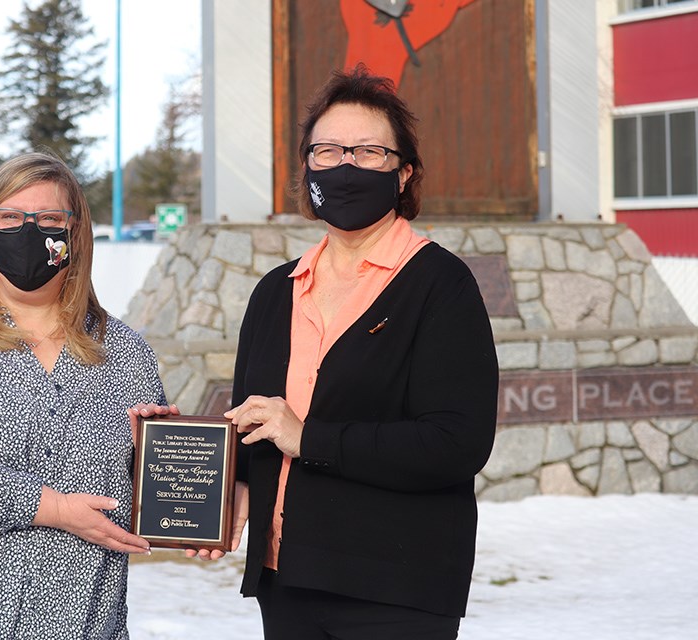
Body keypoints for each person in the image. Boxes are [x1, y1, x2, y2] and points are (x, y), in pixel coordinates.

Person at [200, 65, 499, 639]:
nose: (344, 165)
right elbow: (256, 425)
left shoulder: (440, 283)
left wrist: (309, 437)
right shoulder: (275, 291)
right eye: (328, 150)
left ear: (403, 172)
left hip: (395, 587)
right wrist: (218, 480)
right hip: (286, 582)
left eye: (368, 152)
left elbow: (456, 444)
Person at [0, 151, 174, 640]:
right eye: (11, 217)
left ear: (75, 234)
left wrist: (158, 467)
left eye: (48, 219)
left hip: (81, 622)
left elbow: (140, 507)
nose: (28, 231)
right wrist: (54, 508)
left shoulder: (124, 353)